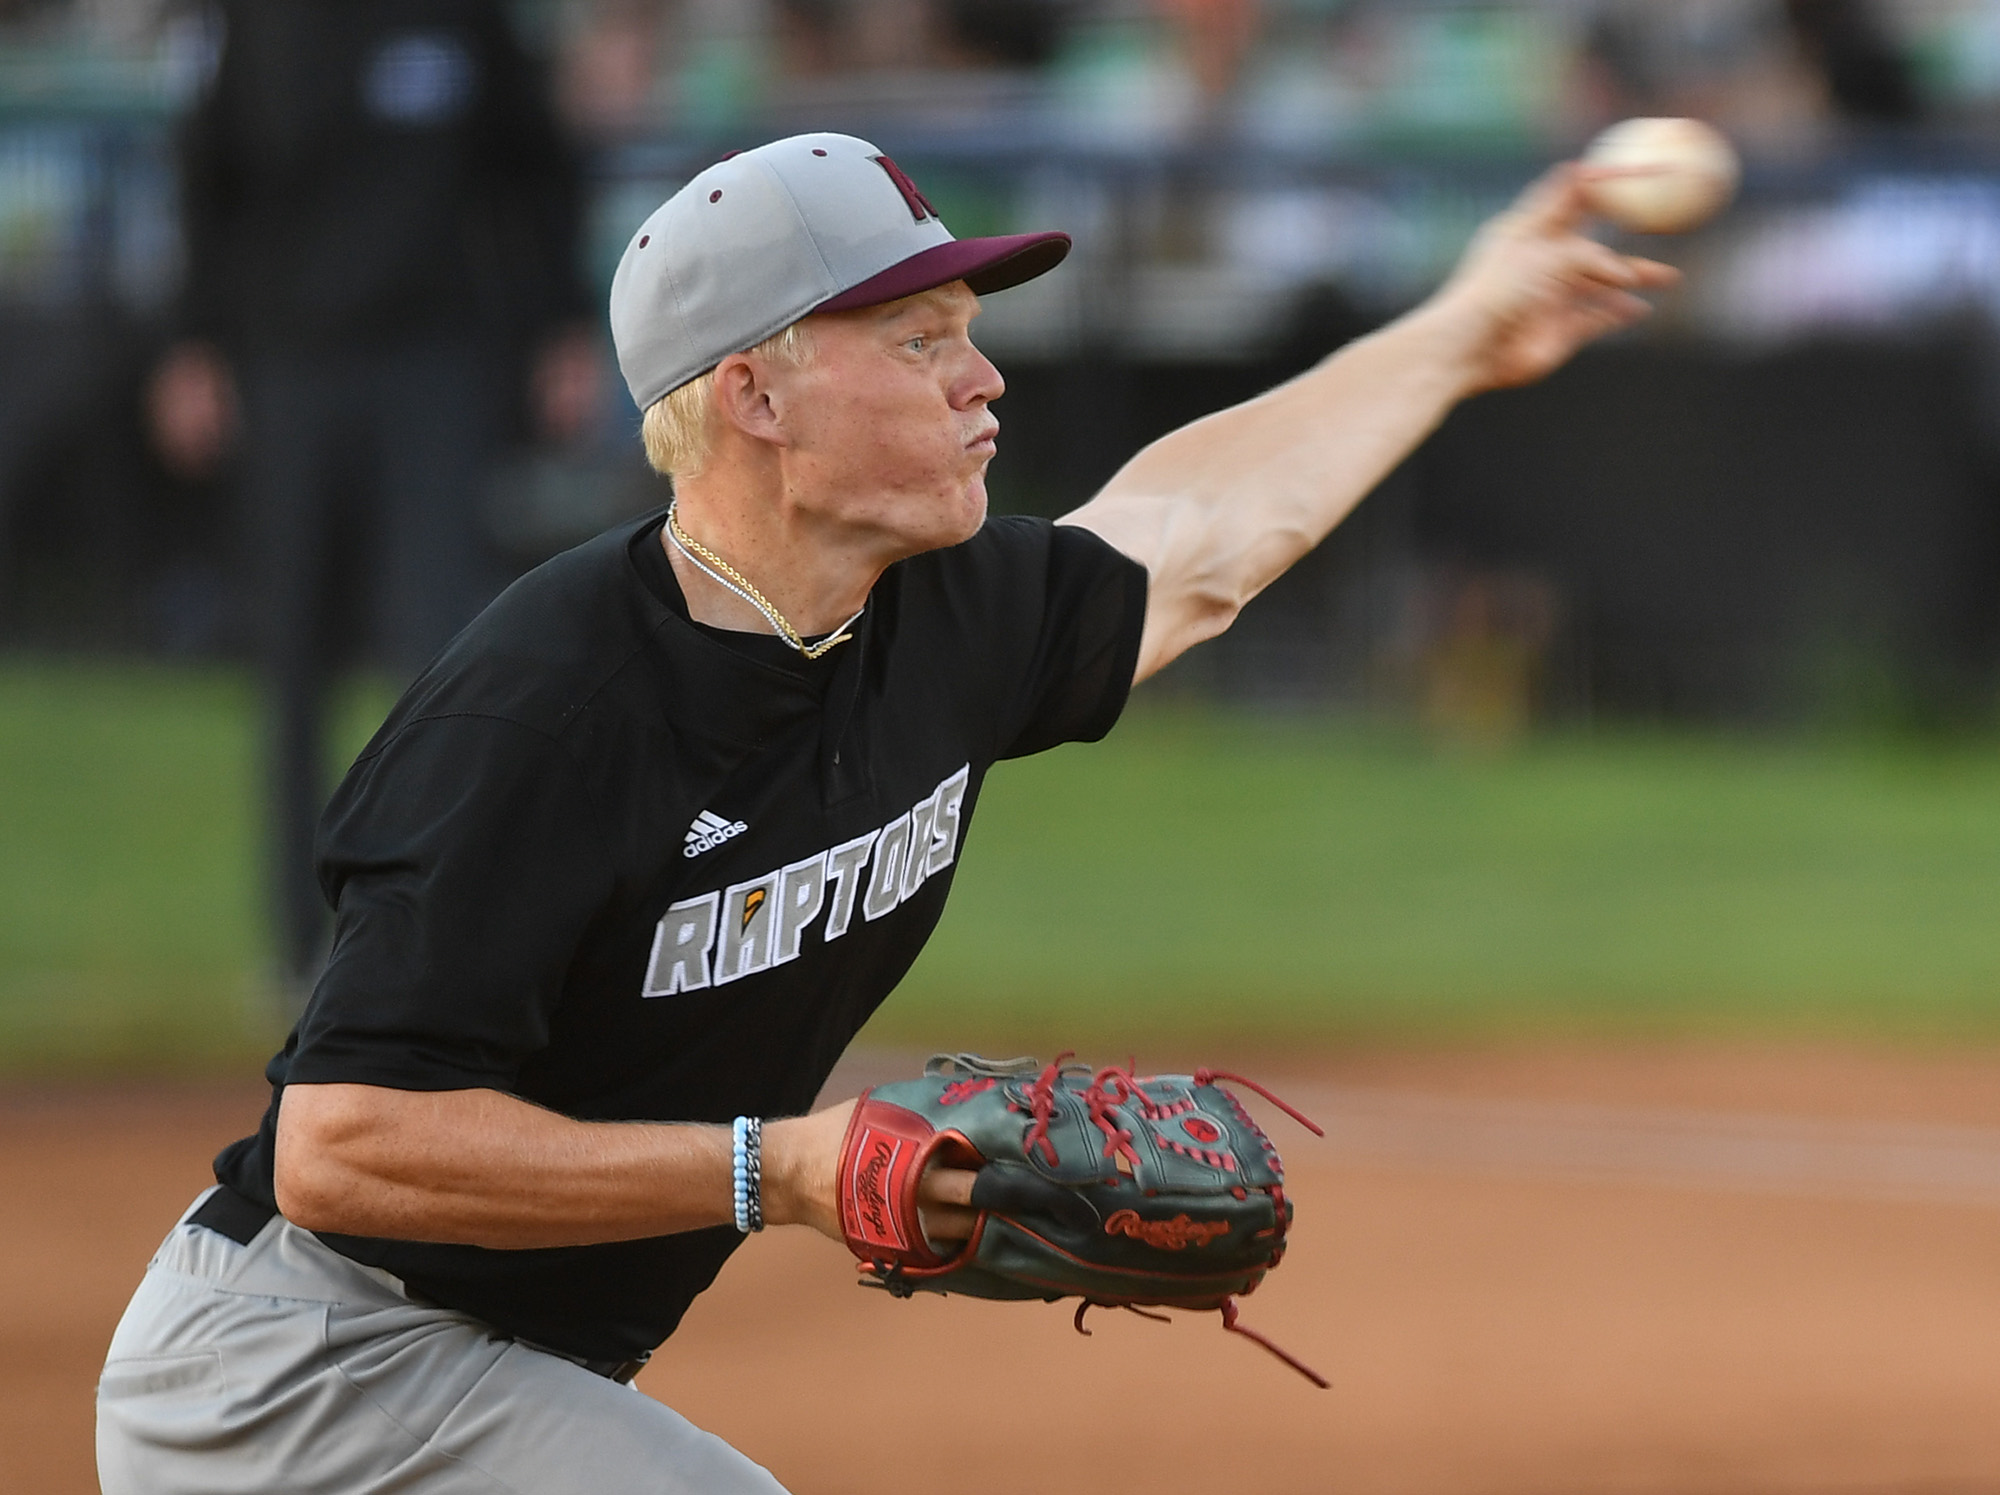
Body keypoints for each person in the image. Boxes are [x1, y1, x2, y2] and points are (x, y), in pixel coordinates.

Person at [98, 133, 1675, 1493]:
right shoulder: (545, 710)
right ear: (755, 396)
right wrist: (773, 1167)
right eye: (920, 340)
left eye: (969, 328)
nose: (985, 378)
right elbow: (343, 1142)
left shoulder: (937, 609)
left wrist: (1465, 328)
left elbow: (1203, 532)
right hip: (306, 1376)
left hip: (505, 1366)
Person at [147, 0, 596, 990]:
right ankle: (296, 943)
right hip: (289, 364)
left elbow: (536, 166)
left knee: (444, 652)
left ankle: (437, 929)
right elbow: (204, 180)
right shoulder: (259, 24)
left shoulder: (464, 18)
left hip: (434, 365)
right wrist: (191, 345)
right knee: (292, 653)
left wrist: (563, 326)